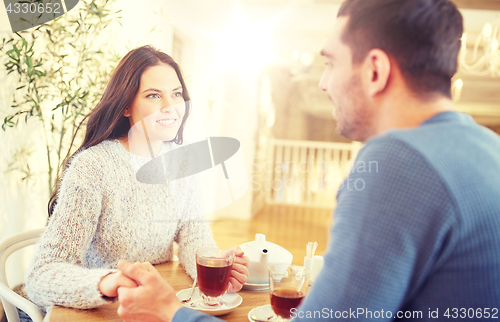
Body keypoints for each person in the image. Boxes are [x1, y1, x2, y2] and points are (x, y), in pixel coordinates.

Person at [111, 0, 500, 321]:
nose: (323, 82)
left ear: (375, 71)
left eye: (330, 62)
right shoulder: (488, 149)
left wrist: (170, 311)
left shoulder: (398, 162)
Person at [24, 45, 249, 317]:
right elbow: (43, 272)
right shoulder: (92, 166)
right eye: (154, 95)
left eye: (176, 94)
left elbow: (194, 238)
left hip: (151, 305)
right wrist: (107, 282)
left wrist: (215, 266)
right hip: (98, 310)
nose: (171, 108)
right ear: (126, 106)